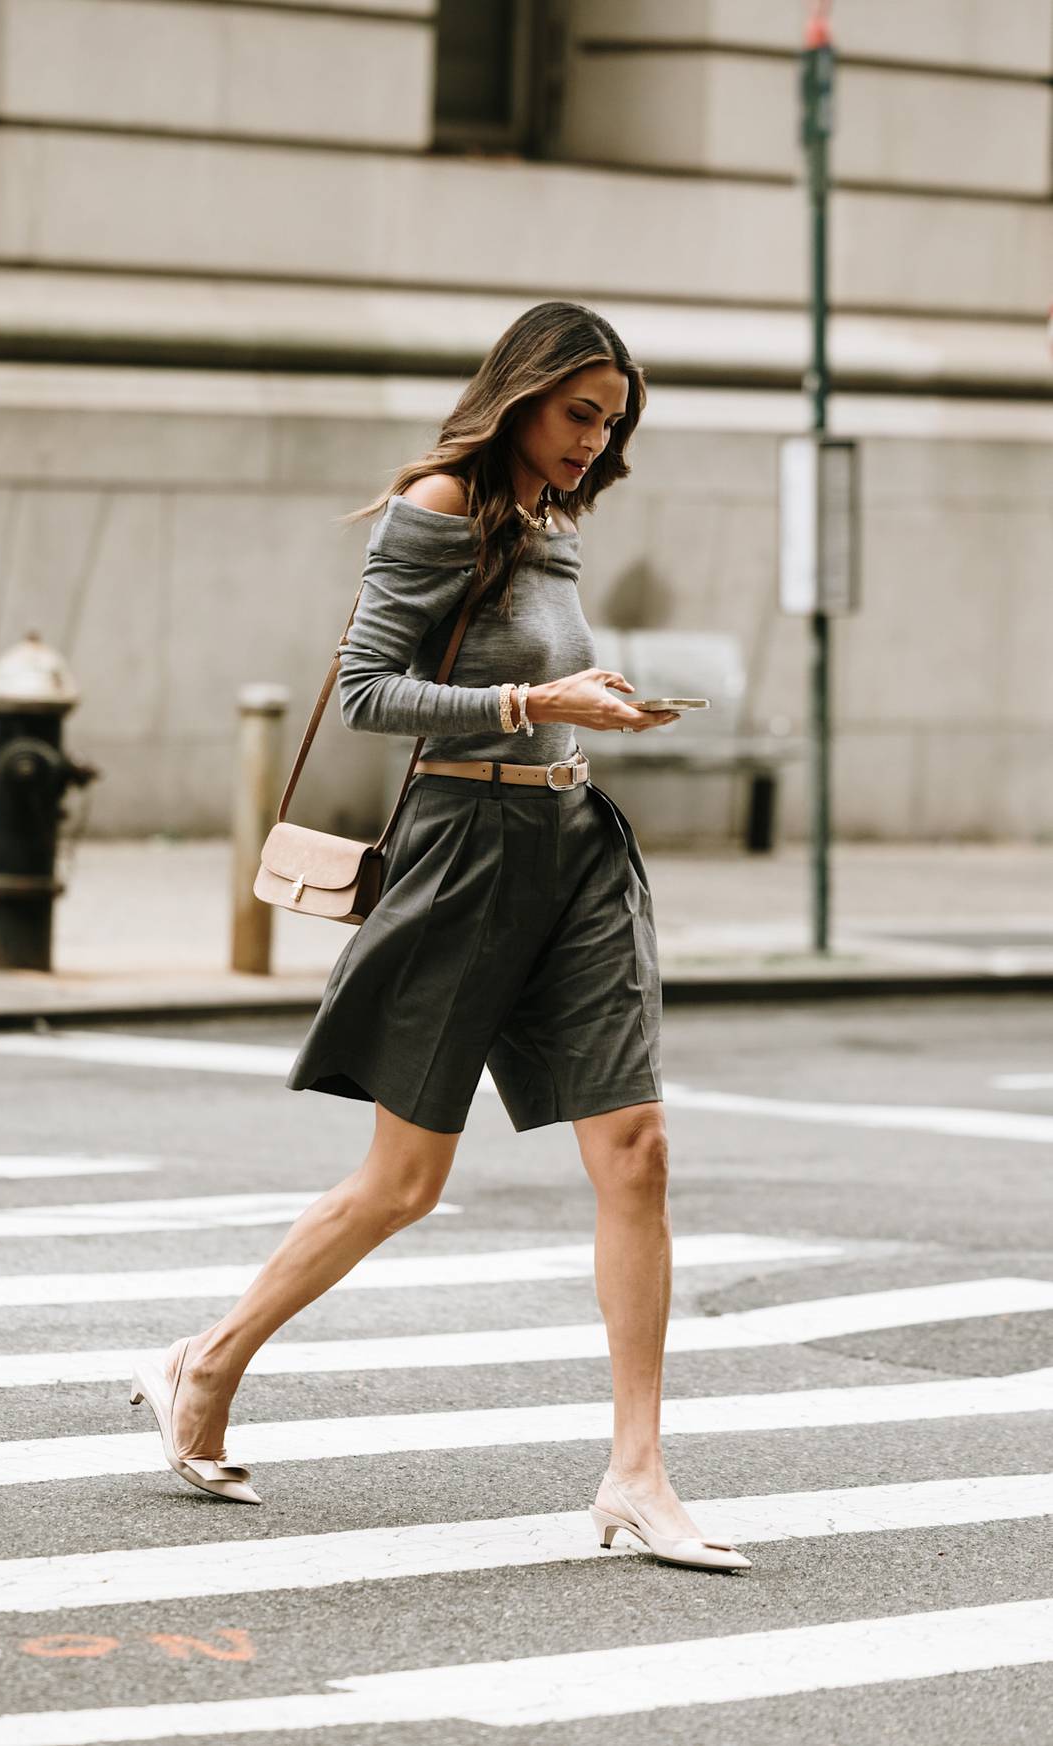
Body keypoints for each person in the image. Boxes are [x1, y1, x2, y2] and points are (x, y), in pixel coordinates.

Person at [130, 301, 751, 1574]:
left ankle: (637, 1471)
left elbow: (541, 688)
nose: (593, 441)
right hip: (466, 860)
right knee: (405, 1183)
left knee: (636, 1151)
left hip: (574, 849)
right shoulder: (438, 505)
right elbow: (367, 693)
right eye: (579, 414)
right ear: (521, 394)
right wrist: (534, 697)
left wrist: (591, 711)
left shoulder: (552, 520)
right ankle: (207, 1358)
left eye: (611, 424)